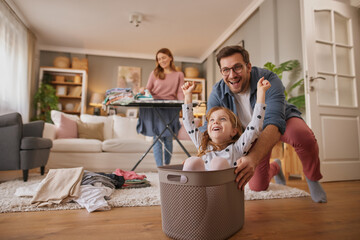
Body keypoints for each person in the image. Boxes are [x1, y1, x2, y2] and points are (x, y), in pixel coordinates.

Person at [205, 45, 327, 203]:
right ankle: (275, 167)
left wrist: (253, 158)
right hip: (250, 134)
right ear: (222, 72)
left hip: (282, 120)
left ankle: (313, 178)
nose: (232, 75)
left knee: (302, 135)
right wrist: (203, 159)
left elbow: (274, 121)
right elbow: (209, 128)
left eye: (237, 67)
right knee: (258, 186)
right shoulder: (218, 92)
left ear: (248, 66)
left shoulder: (267, 78)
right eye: (226, 70)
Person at [181, 78, 270, 171]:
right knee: (192, 161)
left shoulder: (237, 148)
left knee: (218, 162)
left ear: (234, 131)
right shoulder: (203, 145)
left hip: (226, 185)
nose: (215, 122)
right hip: (202, 184)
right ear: (208, 129)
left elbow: (255, 126)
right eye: (211, 120)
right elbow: (188, 123)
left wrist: (261, 93)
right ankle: (184, 185)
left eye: (222, 119)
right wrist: (187, 95)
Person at [136, 48, 184, 167]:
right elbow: (148, 89)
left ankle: (167, 165)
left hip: (170, 107)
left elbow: (179, 92)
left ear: (170, 58)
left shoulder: (179, 74)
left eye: (163, 57)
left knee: (168, 137)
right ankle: (160, 167)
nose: (161, 60)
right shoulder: (155, 73)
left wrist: (183, 104)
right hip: (155, 106)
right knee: (157, 137)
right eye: (159, 59)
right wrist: (143, 90)